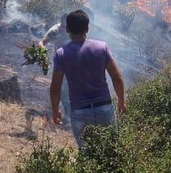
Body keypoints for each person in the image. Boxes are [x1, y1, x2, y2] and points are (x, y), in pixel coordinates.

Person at [49, 10, 125, 149]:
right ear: (87, 29)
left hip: (80, 111)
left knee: (86, 153)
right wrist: (121, 100)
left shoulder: (61, 53)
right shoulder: (102, 47)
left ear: (67, 29)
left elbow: (55, 87)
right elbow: (117, 77)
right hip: (104, 107)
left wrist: (55, 110)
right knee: (112, 151)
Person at [40, 13, 71, 126]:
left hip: (75, 63)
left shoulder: (75, 28)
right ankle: (67, 115)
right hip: (60, 63)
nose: (64, 28)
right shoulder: (55, 30)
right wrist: (42, 51)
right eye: (63, 25)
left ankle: (69, 114)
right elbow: (42, 42)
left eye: (66, 26)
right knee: (63, 88)